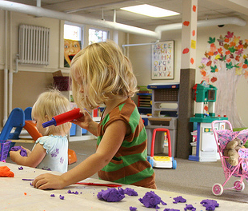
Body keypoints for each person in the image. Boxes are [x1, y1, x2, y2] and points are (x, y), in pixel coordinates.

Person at [32, 41, 156, 190]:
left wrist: (63, 179)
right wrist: (91, 126)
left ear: (107, 75)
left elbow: (102, 157)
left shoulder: (120, 116)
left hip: (135, 188)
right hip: (120, 185)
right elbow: (116, 141)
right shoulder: (117, 107)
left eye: (84, 82)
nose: (82, 90)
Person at [10, 89, 71, 173]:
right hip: (58, 180)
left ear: (47, 119)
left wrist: (16, 157)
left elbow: (29, 164)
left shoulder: (44, 142)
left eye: (36, 121)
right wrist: (29, 153)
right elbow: (44, 159)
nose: (35, 124)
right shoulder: (63, 139)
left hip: (44, 182)